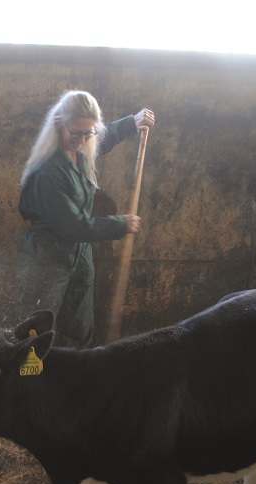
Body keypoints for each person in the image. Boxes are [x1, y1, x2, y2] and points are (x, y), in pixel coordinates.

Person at [16, 90, 155, 348]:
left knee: (78, 330)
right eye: (76, 132)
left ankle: (73, 381)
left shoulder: (83, 145)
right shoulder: (47, 171)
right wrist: (120, 224)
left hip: (80, 257)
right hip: (47, 258)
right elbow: (73, 225)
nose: (82, 139)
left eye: (87, 132)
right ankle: (28, 384)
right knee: (34, 335)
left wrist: (131, 123)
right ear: (59, 124)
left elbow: (103, 136)